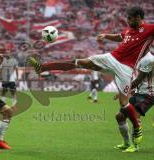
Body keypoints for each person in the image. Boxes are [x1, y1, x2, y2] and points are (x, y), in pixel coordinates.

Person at [29, 6, 154, 144]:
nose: (127, 20)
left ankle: (137, 128)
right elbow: (119, 36)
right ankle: (42, 67)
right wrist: (105, 35)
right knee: (80, 62)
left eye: (129, 18)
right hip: (111, 58)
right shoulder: (128, 30)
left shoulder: (149, 29)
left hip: (126, 68)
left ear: (138, 17)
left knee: (124, 103)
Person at [115, 51, 154, 152]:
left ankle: (135, 146)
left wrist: (123, 91)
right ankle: (126, 143)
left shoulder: (149, 59)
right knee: (120, 116)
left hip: (148, 94)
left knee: (135, 116)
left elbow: (139, 79)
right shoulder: (138, 57)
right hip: (138, 93)